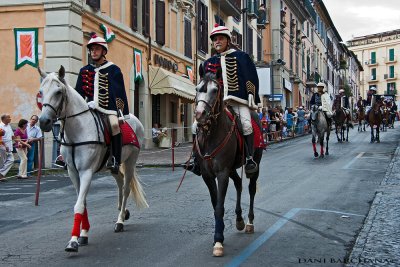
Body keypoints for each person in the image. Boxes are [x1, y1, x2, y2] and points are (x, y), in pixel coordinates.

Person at [185, 24, 261, 175]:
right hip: (214, 103)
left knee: (246, 125)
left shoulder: (241, 57)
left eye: (220, 38)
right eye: (215, 39)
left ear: (228, 40)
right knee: (195, 126)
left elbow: (251, 77)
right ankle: (196, 160)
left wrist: (251, 94)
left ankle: (250, 159)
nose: (217, 42)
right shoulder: (208, 62)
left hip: (236, 100)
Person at [75, 33, 129, 174]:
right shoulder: (84, 71)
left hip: (108, 109)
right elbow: (79, 93)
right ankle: (64, 155)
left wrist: (120, 112)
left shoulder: (114, 70)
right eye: (92, 49)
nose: (93, 52)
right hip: (88, 108)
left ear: (104, 51)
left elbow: (118, 93)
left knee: (114, 125)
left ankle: (116, 160)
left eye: (97, 49)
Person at [0, 114, 15, 182]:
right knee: (2, 162)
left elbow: (12, 136)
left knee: (11, 160)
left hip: (9, 146)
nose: (10, 118)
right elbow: (1, 138)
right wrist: (5, 146)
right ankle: (1, 176)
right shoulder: (0, 126)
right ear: (3, 119)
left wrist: (17, 142)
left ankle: (1, 174)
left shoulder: (9, 126)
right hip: (2, 146)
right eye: (8, 117)